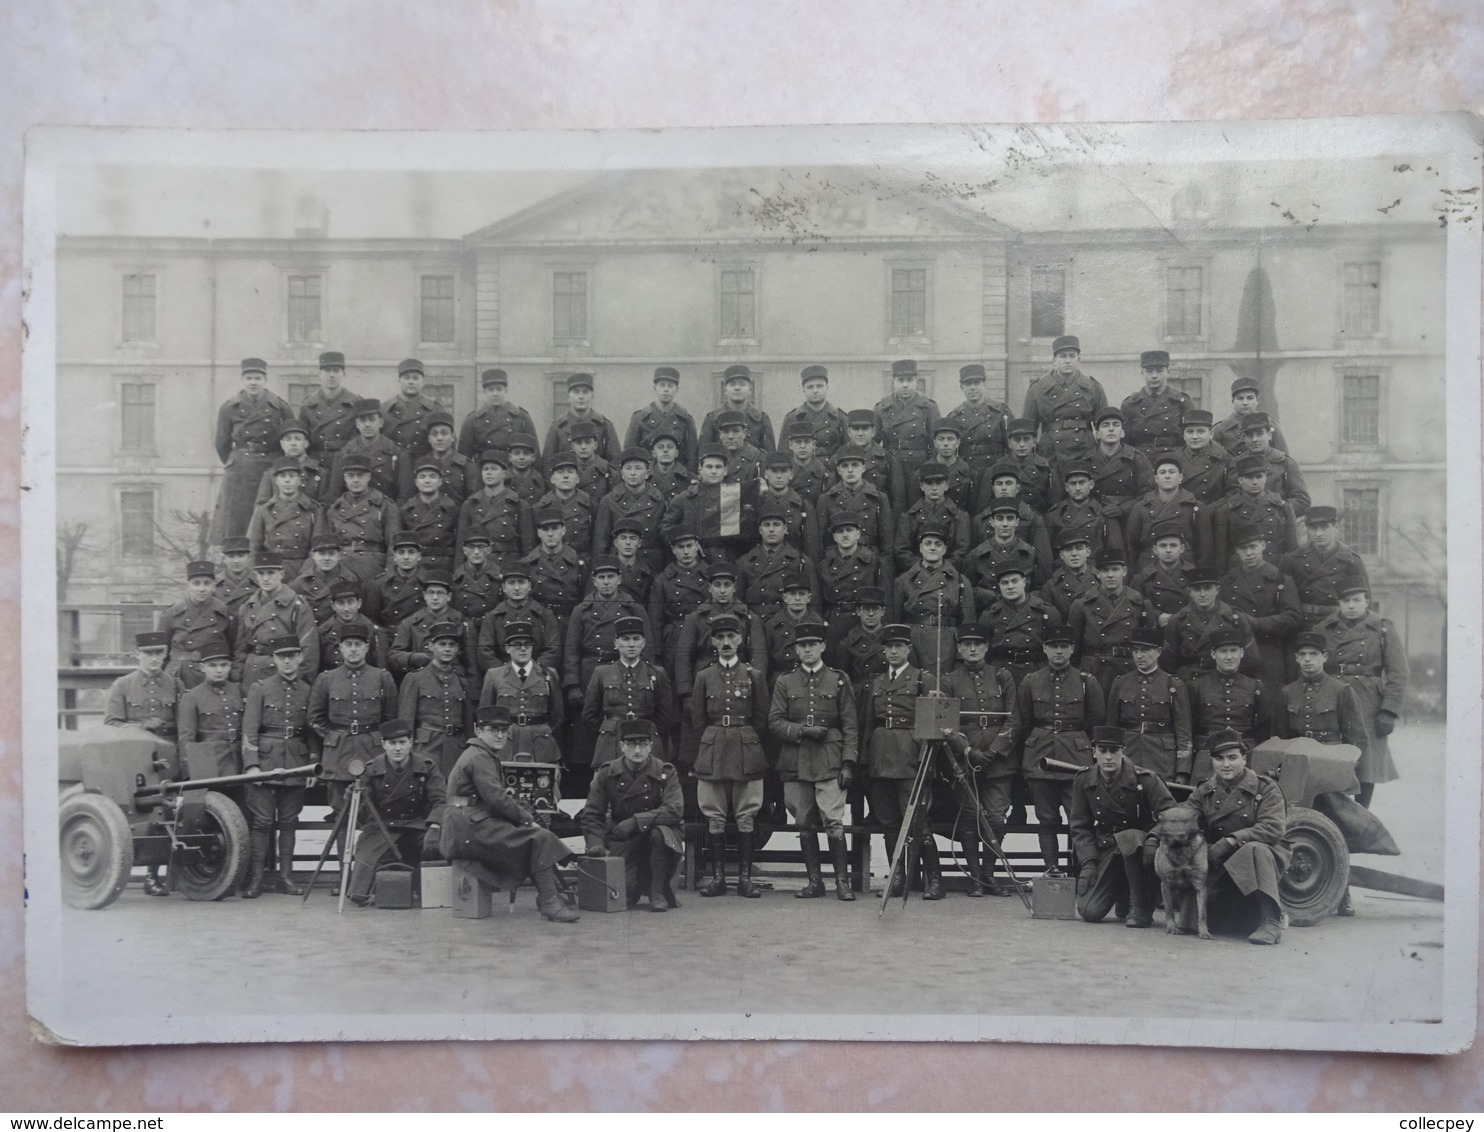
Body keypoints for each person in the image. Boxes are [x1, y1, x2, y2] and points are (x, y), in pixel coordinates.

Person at [441, 705, 580, 924]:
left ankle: (549, 894)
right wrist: (528, 819)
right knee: (539, 837)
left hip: (469, 823)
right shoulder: (479, 758)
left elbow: (497, 797)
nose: (500, 735)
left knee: (532, 837)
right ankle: (549, 900)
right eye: (493, 729)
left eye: (504, 730)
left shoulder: (483, 754)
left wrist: (523, 812)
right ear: (479, 731)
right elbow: (497, 798)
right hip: (468, 828)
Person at [767, 621, 859, 901]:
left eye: (812, 644)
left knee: (833, 820)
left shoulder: (838, 679)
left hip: (828, 759)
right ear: (795, 649)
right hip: (795, 760)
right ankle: (814, 882)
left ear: (822, 646)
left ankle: (842, 882)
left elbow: (850, 726)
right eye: (801, 645)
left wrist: (848, 763)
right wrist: (802, 731)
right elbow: (774, 721)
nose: (806, 649)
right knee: (803, 822)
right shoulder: (785, 681)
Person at [688, 614, 771, 898]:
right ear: (712, 641)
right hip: (713, 749)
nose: (726, 643)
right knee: (714, 815)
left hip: (745, 747)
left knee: (747, 814)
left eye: (731, 637)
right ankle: (718, 878)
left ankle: (745, 879)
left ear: (741, 640)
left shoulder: (754, 675)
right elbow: (698, 719)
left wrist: (741, 736)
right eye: (720, 637)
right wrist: (715, 739)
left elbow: (761, 718)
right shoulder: (703, 677)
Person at [306, 622, 399, 871]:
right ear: (340, 648)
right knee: (342, 816)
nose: (354, 649)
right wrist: (335, 736)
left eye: (359, 644)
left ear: (367, 647)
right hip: (338, 757)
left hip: (373, 754)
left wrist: (377, 741)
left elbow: (391, 718)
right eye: (349, 645)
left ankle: (368, 873)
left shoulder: (382, 677)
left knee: (375, 816)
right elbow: (315, 718)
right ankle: (342, 874)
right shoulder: (326, 679)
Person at [1014, 625, 1106, 872]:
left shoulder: (1087, 681)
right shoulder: (1030, 681)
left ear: (1072, 649)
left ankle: (1081, 872)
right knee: (1047, 819)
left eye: (1064, 646)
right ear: (1044, 649)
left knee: (1078, 818)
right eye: (1053, 646)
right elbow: (1023, 722)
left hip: (1075, 757)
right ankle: (1051, 870)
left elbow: (1096, 721)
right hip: (1039, 756)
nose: (1058, 651)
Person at [937, 623, 1019, 896]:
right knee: (970, 816)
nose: (972, 649)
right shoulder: (949, 681)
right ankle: (975, 879)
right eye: (966, 644)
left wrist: (993, 752)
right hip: (964, 761)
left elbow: (1013, 719)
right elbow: (946, 725)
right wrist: (969, 751)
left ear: (986, 647)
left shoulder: (1002, 676)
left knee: (996, 818)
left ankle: (989, 876)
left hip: (999, 762)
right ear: (959, 649)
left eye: (978, 644)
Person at [860, 623, 941, 897]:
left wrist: (927, 760)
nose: (893, 652)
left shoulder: (922, 679)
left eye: (899, 646)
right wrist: (865, 759)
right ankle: (898, 876)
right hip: (881, 758)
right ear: (883, 651)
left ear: (908, 649)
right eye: (889, 647)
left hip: (911, 758)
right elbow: (869, 724)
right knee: (889, 821)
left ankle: (934, 880)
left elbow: (933, 726)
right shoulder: (878, 682)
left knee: (917, 819)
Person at [1188, 729, 1290, 943]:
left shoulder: (1266, 788)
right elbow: (1186, 817)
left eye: (1232, 758)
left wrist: (1230, 841)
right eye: (1219, 758)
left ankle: (1271, 920)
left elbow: (1273, 828)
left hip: (1260, 862)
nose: (1225, 765)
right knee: (1197, 923)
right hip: (1220, 864)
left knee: (1253, 848)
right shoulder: (1204, 791)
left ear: (1244, 759)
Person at [1069, 726, 1177, 927]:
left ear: (1123, 751)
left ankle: (1141, 906)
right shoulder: (1084, 780)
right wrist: (1088, 862)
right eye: (1103, 751)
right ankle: (1122, 893)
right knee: (1090, 911)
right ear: (1094, 752)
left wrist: (1153, 838)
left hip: (1141, 849)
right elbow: (1079, 825)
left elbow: (1170, 815)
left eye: (1114, 751)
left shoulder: (1145, 779)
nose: (1108, 757)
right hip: (1107, 849)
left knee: (1128, 838)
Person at [1316, 580, 1409, 809]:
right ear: (1339, 603)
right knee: (1333, 755)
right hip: (1334, 695)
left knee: (1366, 762)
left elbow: (1399, 672)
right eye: (1345, 601)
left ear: (1366, 601)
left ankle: (1361, 815)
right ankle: (1338, 816)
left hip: (1368, 700)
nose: (1350, 606)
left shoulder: (1382, 627)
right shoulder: (1324, 628)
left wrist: (1389, 710)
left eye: (1356, 600)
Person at [581, 717, 684, 912]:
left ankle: (657, 892)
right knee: (626, 893)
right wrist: (596, 844)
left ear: (651, 746)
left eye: (643, 744)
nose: (637, 750)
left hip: (655, 838)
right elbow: (592, 813)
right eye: (631, 744)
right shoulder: (607, 773)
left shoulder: (665, 772)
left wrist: (636, 821)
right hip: (624, 839)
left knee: (661, 833)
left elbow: (674, 810)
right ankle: (635, 884)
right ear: (622, 746)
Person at [239, 635, 315, 898]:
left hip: (296, 762)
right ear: (274, 660)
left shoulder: (308, 690)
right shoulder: (260, 688)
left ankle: (286, 877)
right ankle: (256, 878)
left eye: (292, 656)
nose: (287, 662)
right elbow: (249, 730)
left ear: (300, 658)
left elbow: (312, 732)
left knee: (289, 822)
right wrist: (252, 765)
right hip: (265, 762)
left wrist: (312, 765)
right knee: (261, 822)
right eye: (282, 657)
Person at [345, 718, 448, 907]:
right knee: (365, 866)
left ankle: (426, 889)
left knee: (435, 844)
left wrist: (434, 826)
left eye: (402, 742)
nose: (397, 748)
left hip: (416, 825)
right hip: (381, 827)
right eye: (392, 743)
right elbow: (362, 813)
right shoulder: (370, 769)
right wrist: (353, 798)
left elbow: (441, 801)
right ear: (383, 744)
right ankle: (376, 888)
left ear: (411, 743)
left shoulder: (427, 766)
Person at [210, 357, 295, 543]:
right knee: (238, 519)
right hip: (240, 468)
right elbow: (222, 444)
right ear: (242, 380)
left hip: (270, 465)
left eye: (258, 378)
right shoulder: (229, 407)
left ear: (265, 380)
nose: (253, 382)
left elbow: (291, 435)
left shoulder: (279, 406)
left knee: (270, 514)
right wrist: (238, 460)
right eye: (249, 378)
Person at [1219, 522, 1304, 697]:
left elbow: (1293, 617)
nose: (1249, 553)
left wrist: (1256, 623)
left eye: (1253, 547)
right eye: (1243, 548)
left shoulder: (1280, 580)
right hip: (1237, 655)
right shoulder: (1227, 582)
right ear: (1237, 551)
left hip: (1270, 652)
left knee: (1270, 704)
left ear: (1263, 546)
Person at [581, 614, 675, 763]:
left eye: (636, 639)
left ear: (643, 643)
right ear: (616, 643)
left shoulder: (657, 673)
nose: (631, 644)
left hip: (646, 740)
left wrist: (648, 731)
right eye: (625, 639)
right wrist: (610, 728)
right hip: (611, 742)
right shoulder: (602, 673)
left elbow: (665, 717)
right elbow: (589, 715)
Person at [1106, 628, 1192, 782]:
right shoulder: (1120, 682)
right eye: (1135, 650)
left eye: (1145, 650)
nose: (1139, 655)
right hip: (1128, 756)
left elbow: (1183, 732)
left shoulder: (1173, 684)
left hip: (1162, 760)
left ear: (1158, 652)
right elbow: (1111, 729)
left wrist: (1182, 771)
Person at [1187, 627, 1272, 781]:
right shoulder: (1197, 686)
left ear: (1242, 653)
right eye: (1223, 651)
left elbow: (1263, 730)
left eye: (1233, 651)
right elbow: (1189, 727)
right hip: (1207, 755)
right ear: (1213, 654)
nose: (1229, 657)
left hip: (1244, 756)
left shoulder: (1255, 687)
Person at [1069, 548, 1153, 699]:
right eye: (1105, 570)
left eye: (1115, 569)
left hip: (1128, 669)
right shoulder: (1083, 604)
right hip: (1094, 671)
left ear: (1124, 571)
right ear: (1097, 574)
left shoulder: (1140, 603)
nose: (1110, 575)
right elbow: (1074, 646)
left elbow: (1148, 646)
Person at [478, 620, 565, 763]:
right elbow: (485, 715)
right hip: (506, 744)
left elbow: (557, 715)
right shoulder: (494, 675)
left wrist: (542, 731)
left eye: (527, 644)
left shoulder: (548, 675)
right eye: (517, 645)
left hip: (540, 744)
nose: (523, 649)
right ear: (507, 648)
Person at [892, 527, 975, 676]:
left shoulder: (960, 581)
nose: (932, 547)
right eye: (928, 543)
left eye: (938, 544)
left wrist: (960, 656)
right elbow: (895, 621)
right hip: (913, 641)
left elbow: (968, 623)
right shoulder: (904, 580)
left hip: (946, 643)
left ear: (944, 549)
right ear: (920, 548)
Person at [398, 621, 474, 777]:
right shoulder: (415, 679)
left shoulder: (461, 681)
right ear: (431, 646)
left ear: (457, 649)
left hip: (455, 750)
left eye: (452, 645)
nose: (447, 649)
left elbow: (468, 724)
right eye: (442, 644)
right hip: (425, 749)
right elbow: (406, 722)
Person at [232, 553, 320, 688]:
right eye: (261, 573)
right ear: (255, 576)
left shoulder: (296, 605)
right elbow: (241, 649)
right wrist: (237, 678)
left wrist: (300, 681)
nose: (266, 578)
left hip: (284, 672)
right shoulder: (247, 607)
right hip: (252, 674)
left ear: (281, 574)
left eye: (271, 573)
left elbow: (308, 648)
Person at [659, 445, 760, 563]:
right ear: (700, 469)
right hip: (696, 561)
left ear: (725, 470)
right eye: (709, 466)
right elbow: (665, 527)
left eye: (718, 467)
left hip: (730, 559)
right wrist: (687, 543)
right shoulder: (685, 498)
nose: (713, 471)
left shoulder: (737, 495)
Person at [1277, 505, 1370, 630]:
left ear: (1335, 528)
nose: (1318, 533)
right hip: (1302, 625)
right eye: (1313, 528)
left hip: (1338, 625)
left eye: (1325, 527)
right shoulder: (1292, 559)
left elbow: (1364, 600)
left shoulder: (1351, 561)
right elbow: (1282, 600)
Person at [1021, 335, 1107, 464]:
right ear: (1054, 360)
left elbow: (1103, 425)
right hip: (1050, 453)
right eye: (1063, 356)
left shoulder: (1093, 387)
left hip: (1085, 451)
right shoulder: (1038, 388)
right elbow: (1027, 428)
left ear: (1079, 359)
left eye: (1072, 356)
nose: (1068, 360)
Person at [1163, 567, 1257, 684]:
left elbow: (1251, 660)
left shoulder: (1235, 618)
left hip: (1226, 680)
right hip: (1191, 681)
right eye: (1197, 589)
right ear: (1190, 591)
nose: (1202, 594)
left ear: (1217, 589)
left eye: (1207, 588)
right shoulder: (1178, 620)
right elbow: (1168, 662)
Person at [322, 454, 402, 584]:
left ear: (368, 477)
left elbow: (394, 544)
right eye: (351, 476)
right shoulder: (335, 508)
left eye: (360, 476)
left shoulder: (385, 505)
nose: (355, 480)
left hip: (372, 566)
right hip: (342, 566)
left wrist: (390, 572)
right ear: (345, 478)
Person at [156, 560, 236, 690]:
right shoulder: (172, 613)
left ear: (213, 586)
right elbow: (160, 650)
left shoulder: (224, 613)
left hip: (212, 672)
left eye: (207, 583)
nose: (201, 589)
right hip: (179, 673)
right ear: (188, 586)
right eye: (196, 583)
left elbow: (232, 648)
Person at [1210, 453, 1298, 569]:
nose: (1255, 482)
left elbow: (1292, 549)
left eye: (1259, 476)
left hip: (1276, 568)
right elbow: (1221, 554)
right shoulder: (1226, 511)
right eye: (1249, 477)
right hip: (1240, 571)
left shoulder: (1283, 508)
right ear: (1240, 480)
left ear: (1265, 478)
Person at [1125, 453, 1211, 571]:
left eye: (1171, 472)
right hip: (1148, 568)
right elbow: (1130, 547)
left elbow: (1204, 548)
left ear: (1180, 477)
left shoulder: (1196, 507)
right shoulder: (1140, 507)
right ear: (1156, 479)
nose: (1167, 476)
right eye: (1162, 472)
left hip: (1184, 567)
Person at [456, 449, 535, 575]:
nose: (489, 473)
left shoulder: (519, 505)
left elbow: (527, 548)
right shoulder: (470, 504)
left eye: (494, 469)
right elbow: (461, 546)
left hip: (509, 566)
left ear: (504, 473)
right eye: (485, 469)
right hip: (480, 566)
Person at [176, 637, 244, 781]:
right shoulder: (192, 697)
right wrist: (192, 773)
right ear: (202, 668)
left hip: (239, 761)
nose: (219, 670)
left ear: (230, 666)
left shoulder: (239, 691)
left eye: (223, 665)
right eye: (212, 665)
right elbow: (186, 738)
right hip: (210, 762)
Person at [736, 500, 816, 621]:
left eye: (776, 524)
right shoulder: (744, 562)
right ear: (760, 530)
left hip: (787, 623)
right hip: (756, 623)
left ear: (785, 529)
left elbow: (813, 604)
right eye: (766, 525)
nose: (771, 529)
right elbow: (738, 604)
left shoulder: (801, 562)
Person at [593, 446, 668, 572]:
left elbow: (663, 537)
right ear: (622, 473)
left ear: (648, 473)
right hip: (619, 561)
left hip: (650, 562)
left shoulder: (658, 499)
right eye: (628, 468)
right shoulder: (609, 500)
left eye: (638, 468)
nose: (633, 473)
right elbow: (601, 540)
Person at [1085, 407, 1156, 537]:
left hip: (1129, 519)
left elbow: (1149, 493)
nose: (1111, 429)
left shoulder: (1137, 458)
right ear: (1098, 434)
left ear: (1122, 433)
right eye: (1105, 425)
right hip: (1095, 517)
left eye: (1116, 425)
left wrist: (1123, 509)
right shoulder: (1087, 460)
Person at [893, 461, 971, 573]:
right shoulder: (909, 517)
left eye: (939, 483)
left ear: (946, 486)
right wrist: (925, 568)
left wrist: (940, 569)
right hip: (917, 574)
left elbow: (962, 552)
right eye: (929, 483)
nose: (934, 488)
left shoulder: (960, 517)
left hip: (949, 575)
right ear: (921, 486)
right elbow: (902, 551)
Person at [819, 448, 894, 554]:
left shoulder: (879, 498)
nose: (850, 470)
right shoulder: (826, 499)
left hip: (870, 560)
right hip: (837, 560)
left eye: (855, 465)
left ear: (863, 468)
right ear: (839, 470)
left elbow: (887, 543)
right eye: (845, 466)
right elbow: (821, 542)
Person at [875, 359, 941, 478]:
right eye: (901, 380)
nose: (905, 385)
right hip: (890, 466)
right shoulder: (882, 408)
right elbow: (873, 443)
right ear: (893, 381)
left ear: (916, 381)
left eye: (909, 380)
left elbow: (936, 443)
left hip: (919, 466)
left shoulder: (928, 406)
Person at [521, 507, 589, 625]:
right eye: (545, 529)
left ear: (563, 530)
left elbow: (586, 599)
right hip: (539, 622)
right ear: (538, 533)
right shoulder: (527, 564)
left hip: (569, 622)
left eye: (555, 528)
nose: (550, 534)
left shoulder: (578, 562)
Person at [1119, 350, 1194, 456]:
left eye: (1159, 371)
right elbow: (1124, 442)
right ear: (1142, 373)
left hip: (1174, 460)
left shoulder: (1181, 402)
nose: (1154, 376)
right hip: (1141, 460)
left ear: (1168, 372)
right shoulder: (1130, 404)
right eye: (1149, 371)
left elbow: (1191, 437)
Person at [625, 365, 699, 472]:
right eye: (662, 385)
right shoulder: (640, 418)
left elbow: (692, 456)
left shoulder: (686, 419)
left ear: (676, 389)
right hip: (646, 475)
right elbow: (629, 452)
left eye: (670, 386)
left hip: (677, 475)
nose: (666, 389)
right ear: (655, 388)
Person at [1234, 412, 1309, 517]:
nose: (1254, 439)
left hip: (1276, 525)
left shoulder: (1286, 463)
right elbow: (1230, 496)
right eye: (1249, 435)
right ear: (1244, 438)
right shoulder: (1236, 464)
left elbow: (1302, 501)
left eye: (1259, 434)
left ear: (1269, 435)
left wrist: (1275, 510)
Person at [944, 362, 1011, 478]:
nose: (972, 387)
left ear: (984, 384)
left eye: (977, 383)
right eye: (968, 384)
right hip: (966, 472)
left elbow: (1010, 444)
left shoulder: (1000, 410)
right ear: (962, 387)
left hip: (994, 470)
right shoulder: (954, 416)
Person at [457, 368, 539, 461]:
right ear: (485, 392)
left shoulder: (522, 417)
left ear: (506, 390)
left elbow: (535, 453)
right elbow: (463, 456)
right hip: (483, 471)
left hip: (512, 471)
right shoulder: (472, 420)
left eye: (499, 389)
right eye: (491, 390)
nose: (495, 394)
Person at [330, 399, 403, 502]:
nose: (367, 424)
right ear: (357, 424)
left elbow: (404, 495)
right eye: (363, 420)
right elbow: (335, 495)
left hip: (384, 510)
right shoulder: (344, 453)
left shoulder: (395, 453)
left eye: (372, 419)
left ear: (381, 422)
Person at [398, 413, 477, 508]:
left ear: (452, 437)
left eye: (444, 433)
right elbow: (408, 498)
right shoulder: (419, 464)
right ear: (429, 438)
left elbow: (473, 503)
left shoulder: (466, 466)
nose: (439, 438)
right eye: (434, 434)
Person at [297, 350, 362, 462]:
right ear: (319, 374)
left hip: (346, 462)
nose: (331, 375)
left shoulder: (356, 403)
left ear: (344, 374)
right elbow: (302, 438)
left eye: (336, 371)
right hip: (316, 462)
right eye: (327, 370)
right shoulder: (308, 404)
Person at [397, 460, 460, 573]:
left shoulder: (452, 508)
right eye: (422, 477)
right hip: (415, 567)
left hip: (444, 565)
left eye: (432, 476)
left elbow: (459, 543)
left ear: (440, 481)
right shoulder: (406, 510)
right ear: (416, 482)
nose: (427, 481)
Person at [780, 364, 850, 460]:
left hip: (832, 471)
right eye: (810, 387)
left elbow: (847, 453)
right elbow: (783, 454)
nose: (815, 390)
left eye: (819, 386)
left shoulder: (840, 418)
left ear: (827, 388)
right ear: (803, 390)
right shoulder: (792, 418)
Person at [292, 535, 366, 624]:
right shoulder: (301, 582)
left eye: (331, 554)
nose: (326, 558)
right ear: (313, 555)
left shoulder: (351, 580)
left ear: (339, 556)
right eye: (321, 554)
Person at [1212, 376, 1291, 459]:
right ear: (1233, 401)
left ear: (1257, 400)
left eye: (1250, 398)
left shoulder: (1270, 426)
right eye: (1240, 398)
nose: (1245, 403)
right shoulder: (1221, 429)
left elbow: (1283, 459)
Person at [700, 364, 774, 452]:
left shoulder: (761, 419)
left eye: (742, 384)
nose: (737, 388)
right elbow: (703, 452)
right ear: (725, 390)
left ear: (750, 390)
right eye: (732, 384)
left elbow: (770, 454)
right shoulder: (712, 419)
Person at [317, 580, 389, 671]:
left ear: (359, 603)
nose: (346, 609)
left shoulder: (374, 631)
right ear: (333, 606)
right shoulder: (323, 632)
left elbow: (380, 669)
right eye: (340, 603)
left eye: (350, 602)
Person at [254, 421, 331, 505]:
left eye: (298, 439)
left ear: (306, 443)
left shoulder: (319, 472)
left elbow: (324, 506)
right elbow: (261, 506)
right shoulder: (271, 473)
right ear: (282, 444)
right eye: (288, 439)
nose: (293, 443)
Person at [382, 358, 446, 455]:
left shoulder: (435, 409)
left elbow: (447, 445)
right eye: (406, 378)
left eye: (415, 378)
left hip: (424, 466)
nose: (411, 382)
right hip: (393, 465)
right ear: (399, 380)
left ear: (422, 381)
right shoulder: (385, 409)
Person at [1174, 410, 1232, 507]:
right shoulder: (1174, 459)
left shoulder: (1225, 458)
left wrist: (1211, 509)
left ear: (1211, 434)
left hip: (1212, 514)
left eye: (1201, 431)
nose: (1195, 437)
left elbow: (1234, 492)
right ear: (1183, 435)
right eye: (1190, 432)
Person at [920, 421, 978, 516]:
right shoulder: (922, 471)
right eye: (941, 439)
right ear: (935, 443)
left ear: (958, 442)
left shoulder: (970, 473)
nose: (946, 444)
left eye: (950, 439)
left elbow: (973, 510)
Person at [450, 532, 503, 624]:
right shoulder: (455, 578)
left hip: (492, 627)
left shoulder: (500, 577)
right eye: (471, 547)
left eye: (481, 547)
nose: (476, 552)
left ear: (489, 550)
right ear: (464, 550)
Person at [779, 423, 836, 502]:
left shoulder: (825, 473)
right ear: (790, 445)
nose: (802, 446)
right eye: (798, 442)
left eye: (807, 442)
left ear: (813, 445)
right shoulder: (782, 471)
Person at [568, 419, 615, 500]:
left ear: (595, 445)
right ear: (572, 447)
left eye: (588, 442)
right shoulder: (566, 470)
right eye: (579, 443)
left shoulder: (608, 471)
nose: (583, 447)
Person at [214, 537, 259, 614]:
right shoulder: (215, 583)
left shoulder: (259, 581)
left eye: (241, 556)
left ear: (248, 557)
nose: (236, 561)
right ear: (224, 559)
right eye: (231, 556)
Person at [505, 432, 548, 508]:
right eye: (517, 453)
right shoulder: (502, 480)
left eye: (526, 453)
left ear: (533, 457)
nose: (521, 457)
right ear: (510, 457)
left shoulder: (540, 481)